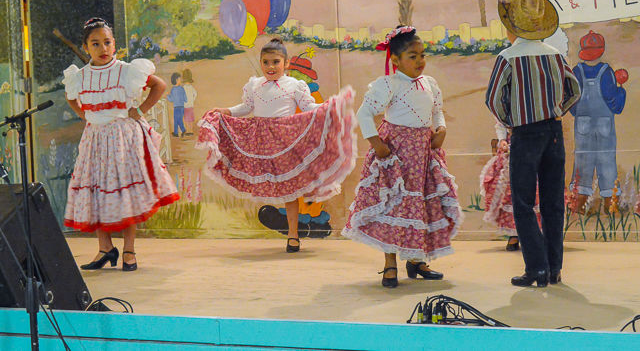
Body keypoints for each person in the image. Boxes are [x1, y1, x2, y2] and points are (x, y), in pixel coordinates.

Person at [196, 38, 356, 252]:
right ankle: (282, 224)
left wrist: (328, 106)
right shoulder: (254, 84)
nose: (270, 67)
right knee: (263, 181)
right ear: (261, 63)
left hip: (286, 139)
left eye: (275, 62)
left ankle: (292, 235)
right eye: (266, 62)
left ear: (286, 63)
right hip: (260, 139)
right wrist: (226, 111)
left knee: (288, 189)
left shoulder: (294, 85)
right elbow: (246, 107)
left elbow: (308, 106)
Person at [342, 26, 463, 288]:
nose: (420, 61)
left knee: (421, 204)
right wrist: (377, 144)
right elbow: (364, 114)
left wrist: (441, 129)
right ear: (395, 60)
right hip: (395, 153)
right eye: (412, 56)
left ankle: (417, 260)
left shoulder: (430, 83)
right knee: (395, 204)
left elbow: (437, 112)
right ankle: (389, 263)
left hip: (422, 152)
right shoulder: (388, 84)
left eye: (422, 55)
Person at [63, 18, 179, 271]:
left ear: (114, 44)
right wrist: (85, 115)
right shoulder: (80, 76)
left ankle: (129, 250)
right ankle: (105, 248)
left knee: (124, 192)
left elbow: (159, 85)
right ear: (86, 47)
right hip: (95, 139)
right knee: (96, 190)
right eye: (96, 44)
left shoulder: (127, 70)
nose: (103, 48)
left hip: (123, 138)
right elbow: (71, 97)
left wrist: (140, 110)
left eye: (107, 42)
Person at [486, 0, 580, 287]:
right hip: (553, 131)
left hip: (525, 134)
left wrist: (512, 121)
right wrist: (556, 112)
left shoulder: (507, 57)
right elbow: (574, 90)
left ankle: (536, 268)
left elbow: (493, 99)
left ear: (512, 24)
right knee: (553, 202)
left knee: (524, 203)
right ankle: (554, 268)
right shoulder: (555, 55)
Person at [569, 31, 626, 214]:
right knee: (607, 160)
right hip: (604, 124)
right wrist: (621, 90)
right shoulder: (606, 71)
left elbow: (571, 100)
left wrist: (579, 113)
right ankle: (611, 205)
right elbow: (614, 104)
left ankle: (579, 204)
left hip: (583, 124)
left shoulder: (576, 71)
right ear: (601, 51)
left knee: (583, 160)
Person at [480, 119, 541, 251]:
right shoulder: (507, 100)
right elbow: (500, 121)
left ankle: (536, 233)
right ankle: (515, 234)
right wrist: (502, 139)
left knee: (536, 189)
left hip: (535, 141)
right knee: (511, 190)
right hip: (512, 145)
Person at [167, 72, 187, 137]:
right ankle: (176, 132)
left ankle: (182, 130)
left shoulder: (173, 89)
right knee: (178, 120)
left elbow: (171, 99)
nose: (180, 81)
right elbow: (185, 98)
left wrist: (167, 96)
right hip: (181, 107)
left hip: (176, 107)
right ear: (176, 80)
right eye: (179, 79)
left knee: (177, 120)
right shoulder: (181, 88)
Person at [182, 68, 198, 136]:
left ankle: (188, 130)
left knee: (186, 119)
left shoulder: (183, 88)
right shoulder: (191, 87)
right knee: (190, 119)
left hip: (185, 106)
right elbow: (195, 94)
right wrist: (192, 100)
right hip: (190, 105)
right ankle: (190, 131)